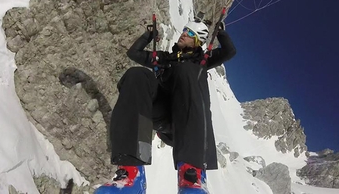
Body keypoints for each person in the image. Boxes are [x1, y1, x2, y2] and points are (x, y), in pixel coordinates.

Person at [96, 18, 236, 194]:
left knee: (186, 71)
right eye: (185, 30)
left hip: (189, 120)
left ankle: (191, 176)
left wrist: (221, 33)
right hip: (165, 118)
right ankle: (131, 174)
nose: (184, 33)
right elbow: (134, 53)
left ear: (198, 41)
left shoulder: (203, 60)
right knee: (136, 75)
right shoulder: (164, 58)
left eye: (190, 33)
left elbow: (229, 51)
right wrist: (148, 35)